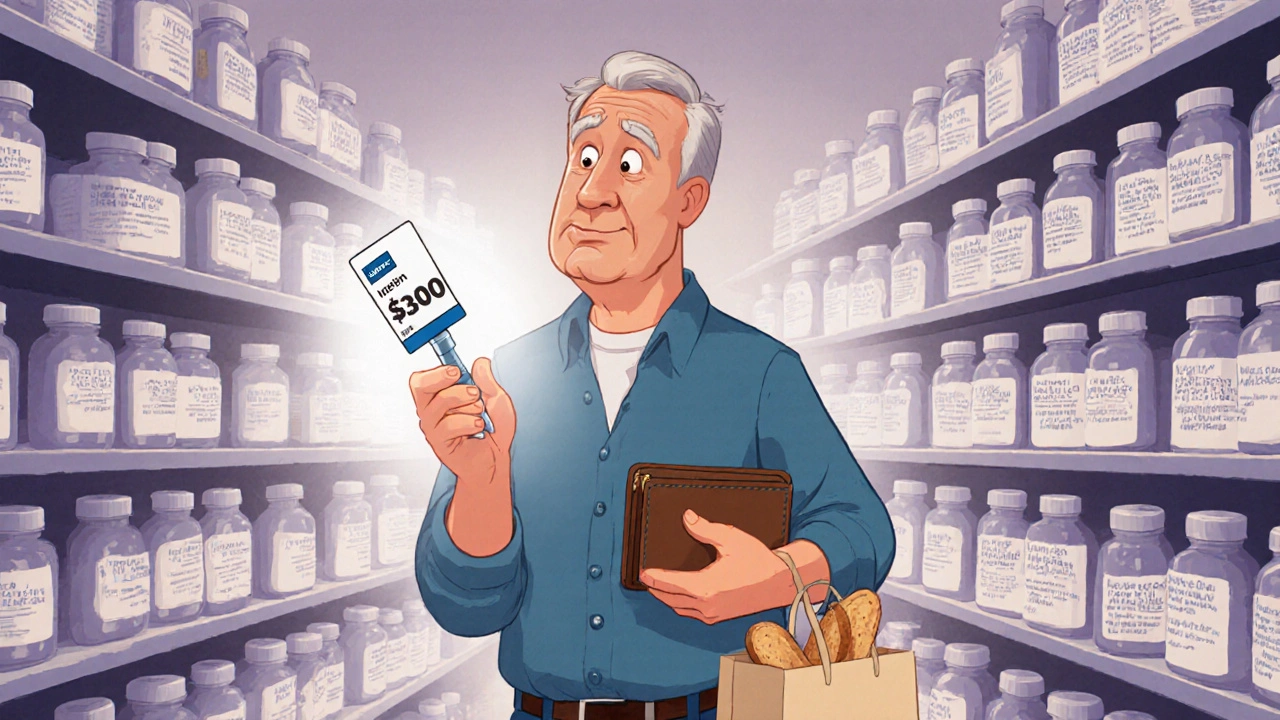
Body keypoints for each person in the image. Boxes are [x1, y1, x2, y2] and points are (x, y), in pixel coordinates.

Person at [410, 50, 893, 720]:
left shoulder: (758, 371)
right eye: (582, 158)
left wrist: (777, 576)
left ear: (688, 200)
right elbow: (464, 610)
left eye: (629, 164)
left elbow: (863, 529)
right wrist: (482, 487)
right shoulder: (504, 378)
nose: (591, 191)